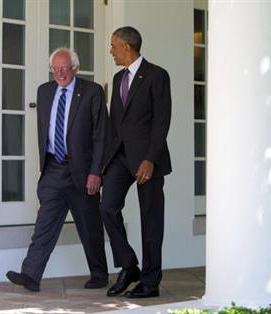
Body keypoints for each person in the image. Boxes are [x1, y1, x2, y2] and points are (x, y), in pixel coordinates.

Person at [6, 48, 109, 292]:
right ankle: (31, 275)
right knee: (44, 224)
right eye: (55, 68)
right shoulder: (44, 91)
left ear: (75, 68)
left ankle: (99, 274)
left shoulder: (92, 92)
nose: (60, 73)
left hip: (83, 171)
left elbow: (101, 136)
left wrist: (96, 171)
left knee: (89, 225)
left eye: (65, 68)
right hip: (53, 167)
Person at [100, 26, 172, 299]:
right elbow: (115, 123)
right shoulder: (119, 77)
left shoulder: (157, 75)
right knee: (107, 208)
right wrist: (106, 160)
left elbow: (161, 121)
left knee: (150, 220)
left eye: (113, 46)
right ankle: (129, 265)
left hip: (147, 159)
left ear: (127, 47)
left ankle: (151, 282)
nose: (111, 52)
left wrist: (149, 159)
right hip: (120, 156)